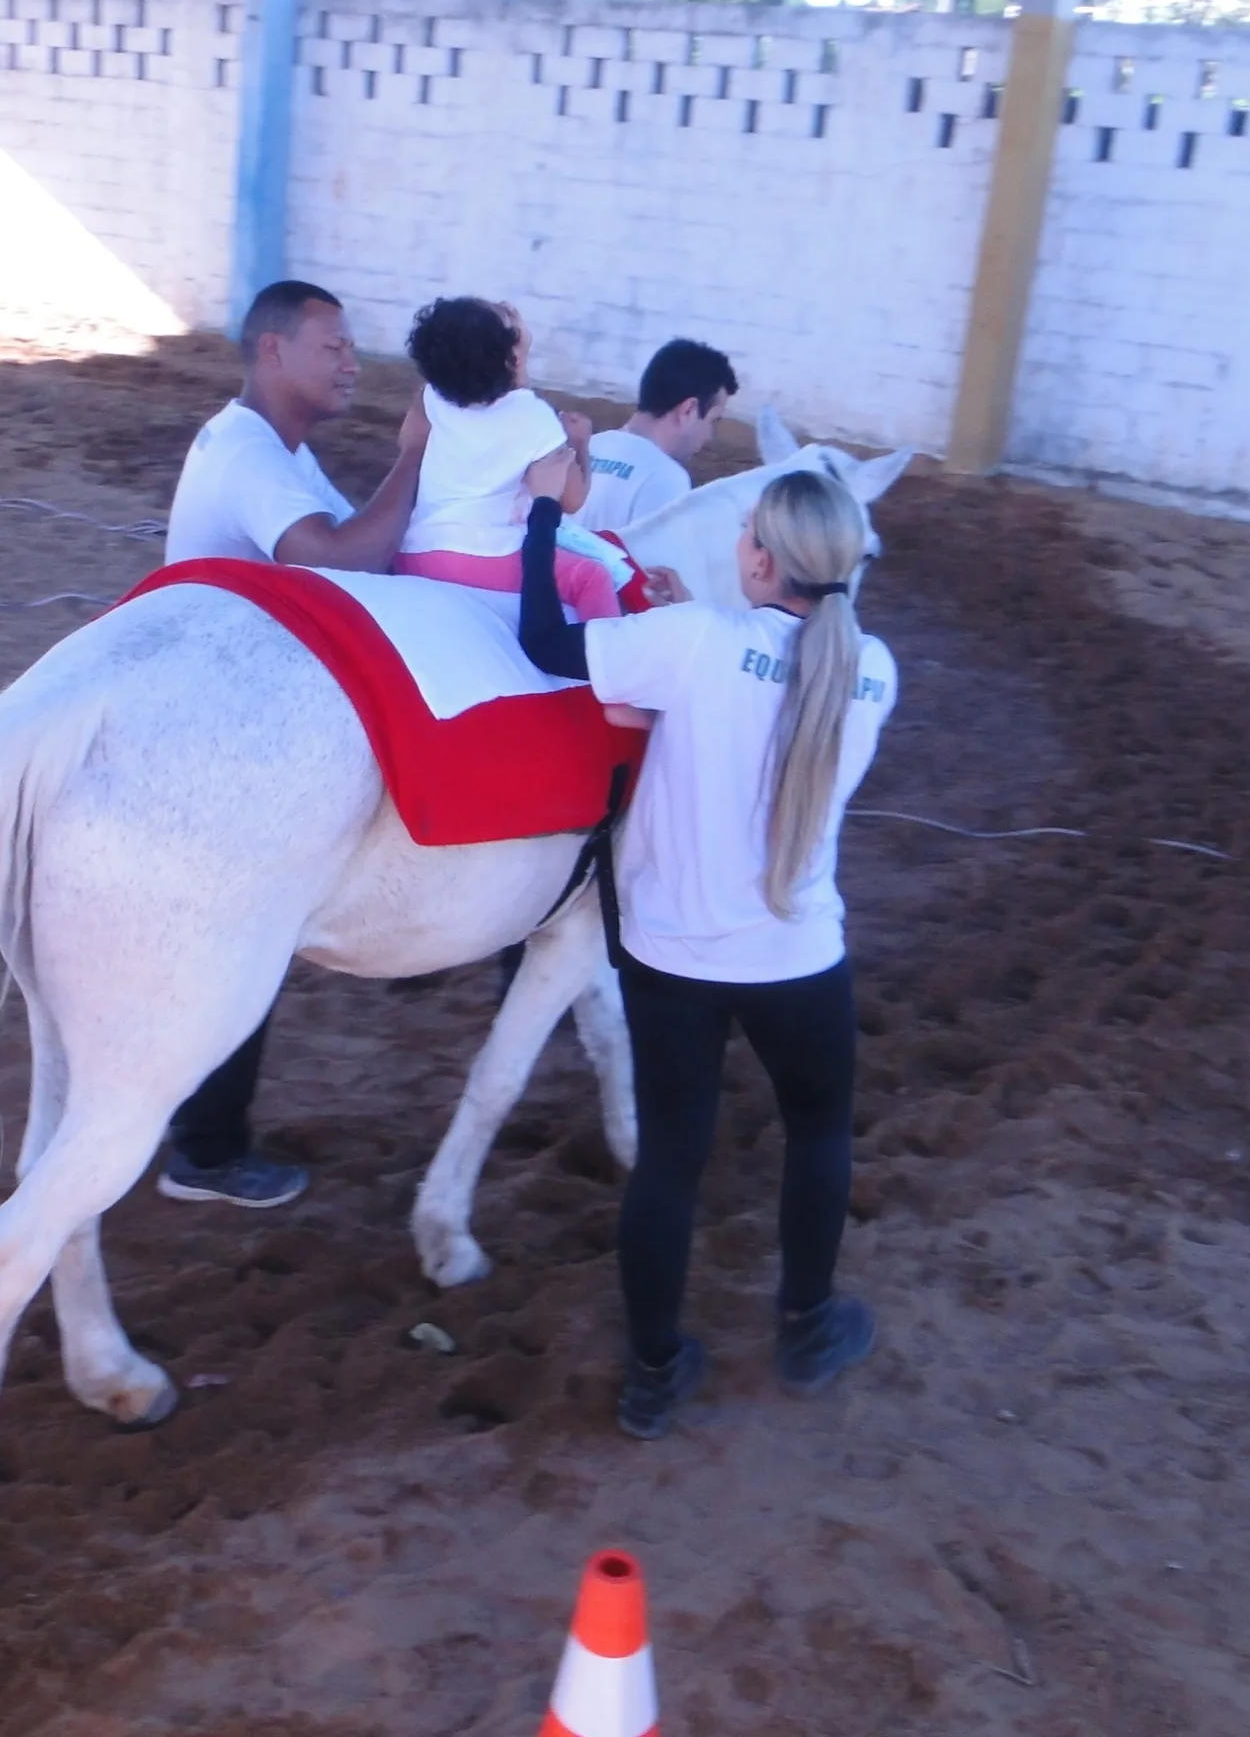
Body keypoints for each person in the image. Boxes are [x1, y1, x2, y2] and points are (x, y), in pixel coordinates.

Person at [514, 467, 898, 1439]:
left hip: (671, 956)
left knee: (671, 1163)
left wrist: (545, 520)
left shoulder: (690, 643)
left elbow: (543, 642)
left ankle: (652, 1373)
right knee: (819, 1131)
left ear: (758, 558)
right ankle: (807, 1324)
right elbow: (775, 673)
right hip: (798, 955)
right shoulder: (876, 669)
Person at [155, 280, 429, 1209]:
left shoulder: (277, 451)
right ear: (273, 351)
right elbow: (345, 559)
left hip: (223, 704)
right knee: (247, 930)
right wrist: (419, 458)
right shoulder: (250, 457)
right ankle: (205, 1147)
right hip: (214, 724)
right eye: (333, 347)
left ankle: (199, 1133)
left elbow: (371, 545)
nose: (353, 362)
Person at [391, 297, 628, 618]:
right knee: (593, 577)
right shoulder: (535, 418)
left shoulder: (431, 395)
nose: (507, 305)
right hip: (483, 557)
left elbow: (407, 441)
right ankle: (611, 658)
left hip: (414, 552)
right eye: (504, 316)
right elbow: (572, 499)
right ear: (511, 354)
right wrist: (579, 443)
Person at [575, 339, 740, 535]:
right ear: (689, 410)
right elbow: (651, 564)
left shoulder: (587, 447)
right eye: (713, 420)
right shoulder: (666, 479)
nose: (709, 436)